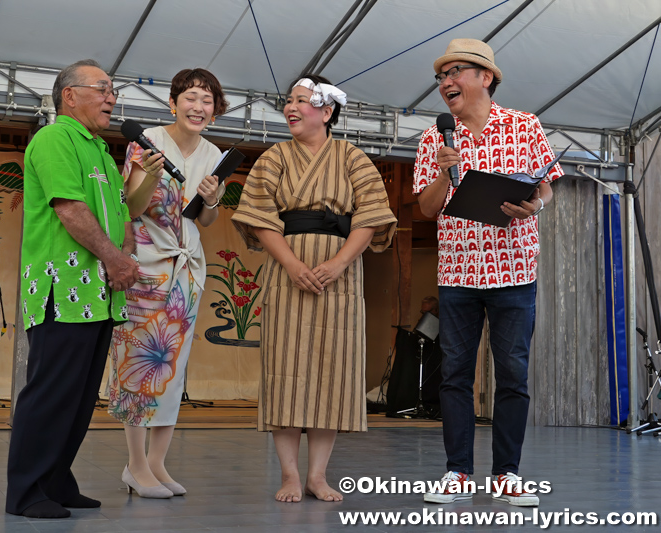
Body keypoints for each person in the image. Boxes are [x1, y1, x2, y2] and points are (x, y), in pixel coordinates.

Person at [232, 75, 397, 502]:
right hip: (287, 269)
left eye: (301, 101)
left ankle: (317, 475)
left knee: (333, 371)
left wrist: (340, 262)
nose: (291, 107)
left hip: (339, 273)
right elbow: (258, 216)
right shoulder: (273, 157)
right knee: (284, 368)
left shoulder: (353, 157)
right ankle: (289, 474)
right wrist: (290, 263)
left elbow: (372, 215)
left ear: (326, 112)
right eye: (289, 101)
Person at [413, 39, 563, 507]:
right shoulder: (434, 137)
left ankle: (506, 475)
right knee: (454, 374)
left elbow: (546, 189)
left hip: (514, 269)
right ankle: (457, 472)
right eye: (441, 76)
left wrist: (533, 205)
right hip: (458, 271)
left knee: (513, 374)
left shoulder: (524, 126)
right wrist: (443, 172)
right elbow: (425, 208)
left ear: (485, 77)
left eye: (455, 72)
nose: (445, 83)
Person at [6, 59, 139, 519]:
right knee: (50, 391)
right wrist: (116, 258)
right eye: (102, 88)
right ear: (69, 95)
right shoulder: (55, 138)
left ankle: (57, 480)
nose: (111, 97)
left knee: (80, 397)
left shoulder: (101, 150)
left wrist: (124, 250)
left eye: (113, 90)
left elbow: (119, 214)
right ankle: (25, 491)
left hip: (99, 294)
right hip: (61, 288)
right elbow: (69, 208)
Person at [108, 68, 227, 498]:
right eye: (191, 97)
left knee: (173, 368)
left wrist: (212, 200)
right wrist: (153, 176)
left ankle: (158, 463)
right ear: (173, 102)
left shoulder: (215, 155)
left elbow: (204, 220)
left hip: (188, 270)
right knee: (139, 363)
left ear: (216, 110)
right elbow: (132, 207)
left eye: (207, 100)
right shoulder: (147, 142)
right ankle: (135, 465)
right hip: (145, 266)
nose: (199, 107)